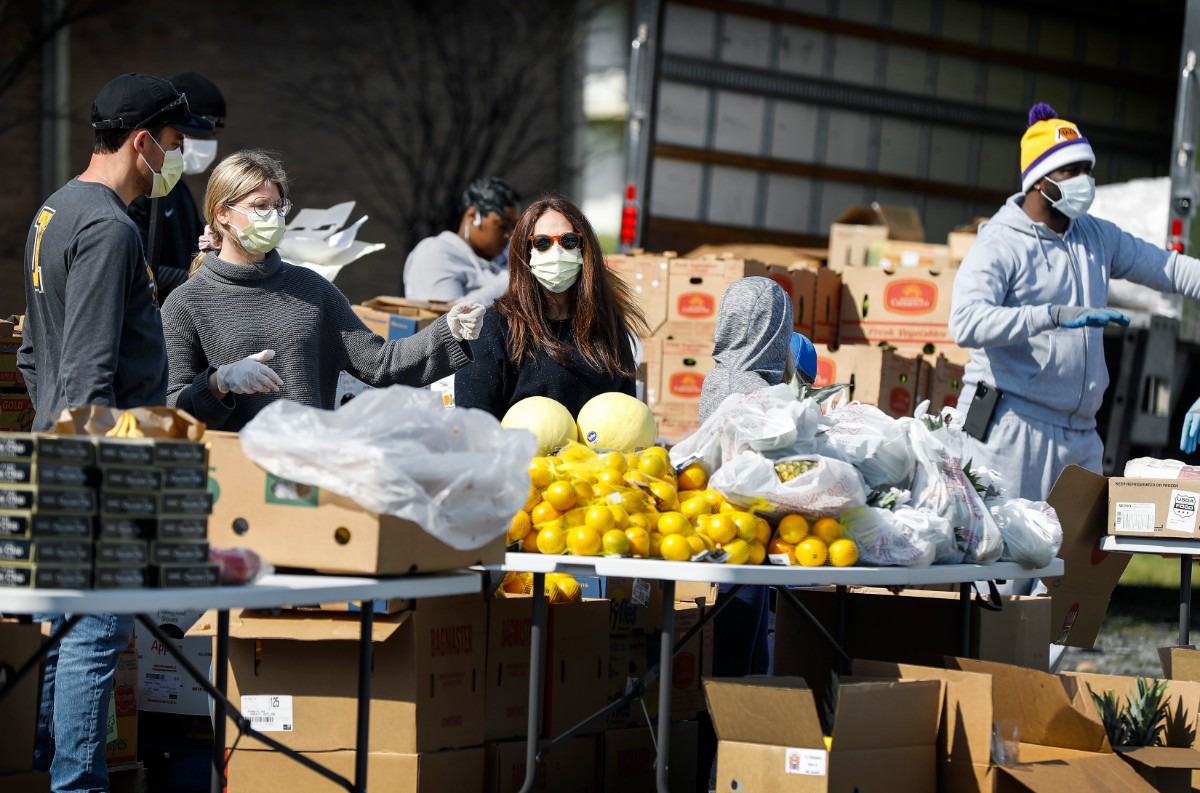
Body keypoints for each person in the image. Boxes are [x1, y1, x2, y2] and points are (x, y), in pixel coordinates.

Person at [17, 72, 211, 793]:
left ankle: (55, 774)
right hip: (96, 463)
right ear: (141, 143)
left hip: (62, 448)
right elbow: (91, 369)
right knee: (94, 640)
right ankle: (75, 786)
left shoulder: (53, 211)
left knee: (72, 639)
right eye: (174, 143)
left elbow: (35, 353)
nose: (179, 158)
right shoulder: (106, 227)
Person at [950, 102, 1200, 502]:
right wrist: (1049, 316)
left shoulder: (1097, 237)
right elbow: (966, 323)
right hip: (1010, 428)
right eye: (1073, 171)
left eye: (1088, 169)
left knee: (1072, 562)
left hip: (1079, 435)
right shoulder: (1000, 242)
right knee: (1006, 559)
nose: (1085, 181)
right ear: (1039, 179)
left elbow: (1168, 269)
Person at [161, 150, 483, 432]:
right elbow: (171, 409)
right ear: (222, 213)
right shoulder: (185, 303)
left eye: (278, 206)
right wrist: (220, 382)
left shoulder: (313, 289)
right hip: (230, 475)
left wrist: (447, 331)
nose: (273, 217)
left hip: (306, 469)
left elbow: (380, 363)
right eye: (260, 206)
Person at [695, 277, 794, 792]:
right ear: (776, 330)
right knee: (743, 666)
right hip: (745, 542)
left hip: (737, 539)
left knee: (748, 660)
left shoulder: (722, 375)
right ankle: (728, 773)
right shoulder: (753, 390)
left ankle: (734, 770)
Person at [454, 194, 647, 418]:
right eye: (542, 243)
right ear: (524, 252)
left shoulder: (607, 328)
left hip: (594, 454)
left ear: (584, 248)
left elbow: (627, 418)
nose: (556, 253)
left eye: (568, 241)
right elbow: (473, 425)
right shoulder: (491, 330)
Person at [128, 71, 226, 302]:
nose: (208, 144)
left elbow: (195, 248)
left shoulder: (176, 187)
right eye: (200, 133)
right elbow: (139, 270)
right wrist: (210, 278)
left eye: (214, 134)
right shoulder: (139, 188)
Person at [403, 176, 520, 304]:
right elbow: (443, 318)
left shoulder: (507, 257)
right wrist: (511, 281)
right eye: (503, 226)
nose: (509, 234)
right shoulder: (436, 253)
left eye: (514, 226)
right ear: (473, 216)